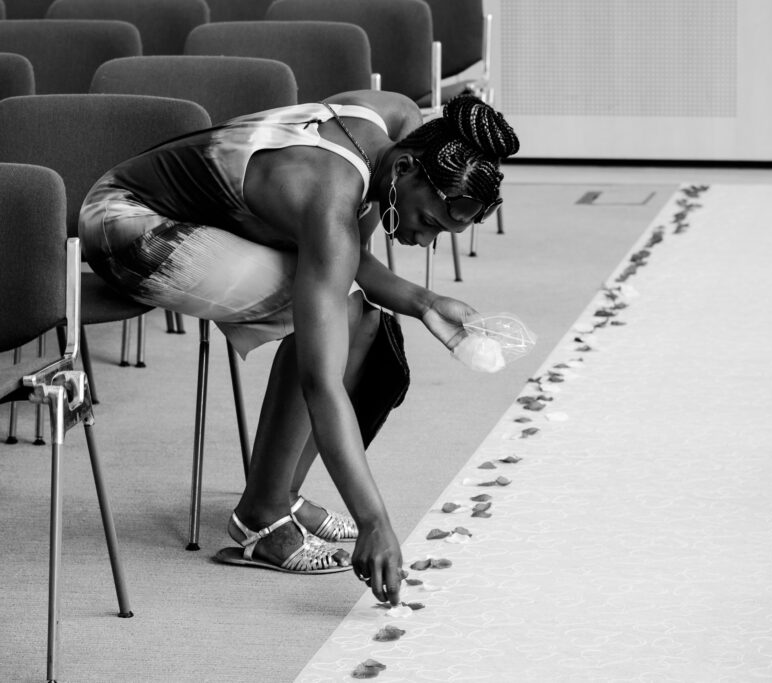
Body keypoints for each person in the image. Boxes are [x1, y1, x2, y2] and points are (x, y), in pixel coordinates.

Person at [78, 91, 520, 606]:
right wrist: (373, 521)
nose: (424, 241)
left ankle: (279, 498)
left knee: (354, 309)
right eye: (430, 222)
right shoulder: (327, 193)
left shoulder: (397, 120)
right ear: (405, 170)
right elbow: (322, 379)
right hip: (128, 227)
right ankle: (262, 518)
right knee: (347, 313)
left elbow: (345, 252)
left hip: (199, 213)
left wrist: (423, 302)